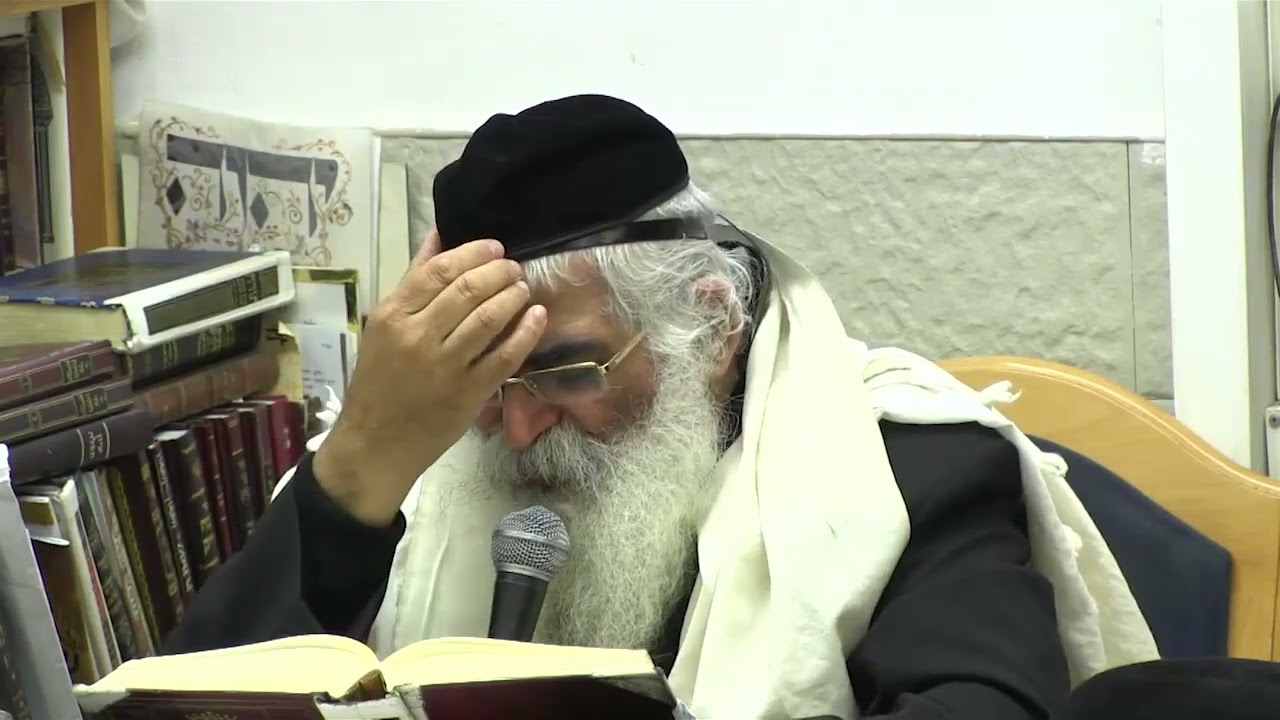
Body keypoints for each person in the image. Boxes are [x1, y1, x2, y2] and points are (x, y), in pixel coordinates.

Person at [163, 94, 1159, 719]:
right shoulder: (414, 472)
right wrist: (358, 470)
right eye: (481, 386)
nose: (519, 431)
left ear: (711, 326)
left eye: (567, 372)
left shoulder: (903, 470)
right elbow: (183, 705)